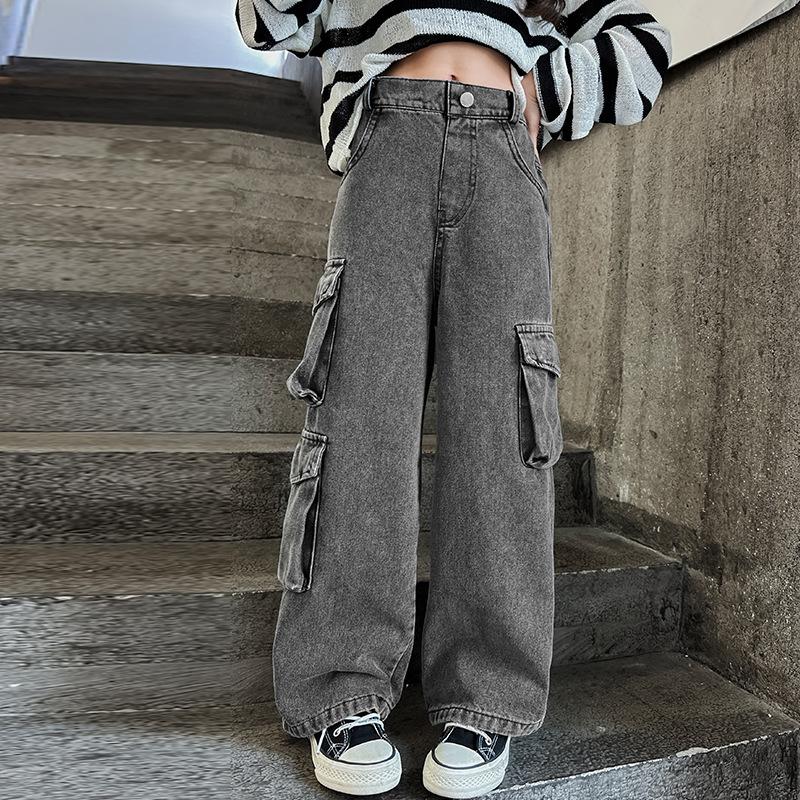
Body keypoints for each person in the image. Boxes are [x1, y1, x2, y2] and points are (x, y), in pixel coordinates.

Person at [235, 1, 671, 797]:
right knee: (358, 424)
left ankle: (485, 696)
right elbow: (266, 21)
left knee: (504, 431)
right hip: (386, 147)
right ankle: (342, 688)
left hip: (505, 150)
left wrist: (544, 88)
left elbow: (643, 45)